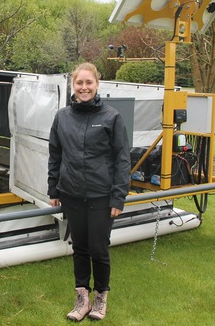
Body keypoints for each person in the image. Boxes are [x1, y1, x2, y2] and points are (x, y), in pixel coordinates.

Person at [47, 62, 131, 322]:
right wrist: (54, 187)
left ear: (97, 84)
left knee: (98, 248)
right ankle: (82, 298)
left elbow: (122, 159)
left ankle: (100, 298)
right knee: (80, 247)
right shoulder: (62, 116)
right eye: (79, 83)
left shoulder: (111, 117)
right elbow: (55, 154)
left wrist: (118, 196)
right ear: (73, 85)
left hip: (101, 196)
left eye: (89, 83)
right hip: (72, 194)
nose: (84, 88)